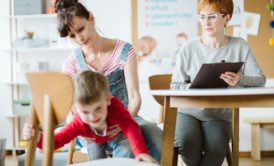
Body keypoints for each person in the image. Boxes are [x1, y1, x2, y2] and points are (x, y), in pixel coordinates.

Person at [55, 0, 162, 162]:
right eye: (72, 36)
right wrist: (84, 130)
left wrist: (122, 123)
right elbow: (71, 112)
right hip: (90, 123)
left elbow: (134, 96)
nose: (79, 38)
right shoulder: (70, 64)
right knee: (122, 150)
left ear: (91, 18)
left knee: (157, 139)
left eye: (80, 29)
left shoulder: (124, 51)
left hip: (125, 116)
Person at [171, 0, 266, 165]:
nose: (206, 22)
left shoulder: (239, 45)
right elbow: (175, 86)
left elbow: (260, 79)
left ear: (226, 18)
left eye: (212, 17)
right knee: (187, 143)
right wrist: (195, 87)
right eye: (202, 17)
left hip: (219, 114)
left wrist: (240, 79)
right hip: (188, 111)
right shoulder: (188, 48)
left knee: (217, 148)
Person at [23, 71, 157, 163]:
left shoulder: (115, 106)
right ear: (75, 109)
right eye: (85, 112)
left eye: (98, 108)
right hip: (92, 139)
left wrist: (140, 152)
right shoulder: (79, 123)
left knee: (126, 152)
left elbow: (130, 126)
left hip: (115, 133)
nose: (93, 117)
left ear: (108, 100)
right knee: (97, 160)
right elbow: (55, 142)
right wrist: (37, 137)